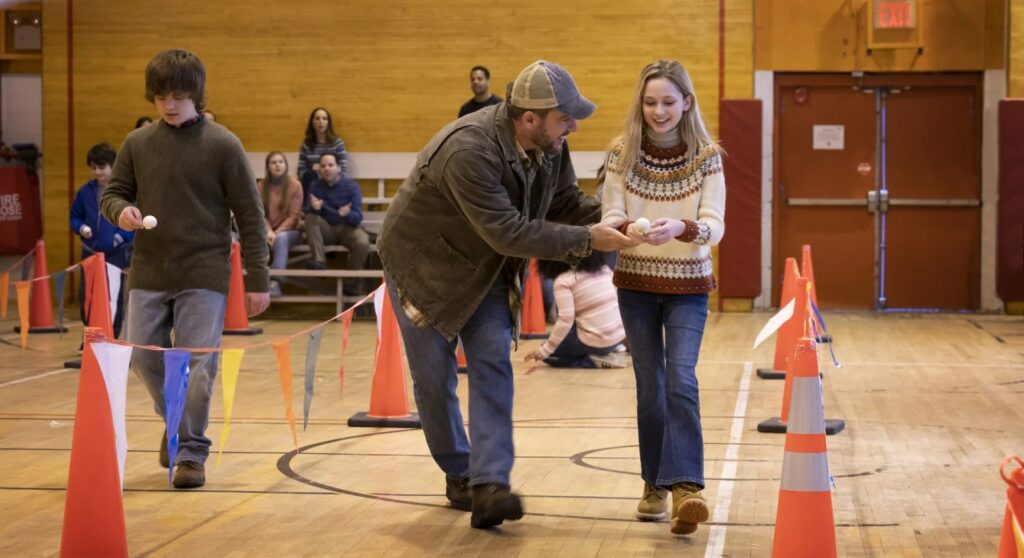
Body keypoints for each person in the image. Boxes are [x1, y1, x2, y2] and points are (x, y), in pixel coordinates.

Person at [377, 60, 637, 529]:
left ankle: (489, 485)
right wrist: (588, 240)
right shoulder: (468, 150)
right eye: (565, 118)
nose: (573, 126)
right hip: (422, 270)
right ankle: (460, 472)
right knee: (435, 382)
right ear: (530, 118)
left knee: (493, 360)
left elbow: (563, 202)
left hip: (487, 266)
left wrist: (618, 217)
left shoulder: (552, 144)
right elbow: (508, 231)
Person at [100, 48, 270, 489]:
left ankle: (191, 451)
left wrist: (258, 281)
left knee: (198, 363)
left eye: (177, 95)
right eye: (159, 97)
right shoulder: (137, 144)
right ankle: (175, 423)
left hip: (205, 272)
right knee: (142, 355)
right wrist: (120, 211)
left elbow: (251, 218)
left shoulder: (223, 144)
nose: (168, 104)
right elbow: (113, 193)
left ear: (196, 93)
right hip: (150, 270)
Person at [600, 60, 725, 536]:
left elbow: (714, 225)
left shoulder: (707, 156)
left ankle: (687, 488)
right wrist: (628, 228)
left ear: (686, 103)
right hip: (634, 285)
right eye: (650, 102)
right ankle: (654, 484)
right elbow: (611, 212)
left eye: (668, 102)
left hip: (688, 287)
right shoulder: (621, 153)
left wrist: (682, 228)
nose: (658, 111)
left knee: (680, 380)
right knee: (649, 388)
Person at [70, 143, 134, 338]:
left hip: (114, 255)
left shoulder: (125, 192)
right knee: (87, 296)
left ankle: (111, 334)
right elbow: (74, 216)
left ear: (113, 166)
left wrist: (120, 237)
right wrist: (81, 228)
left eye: (102, 167)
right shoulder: (84, 192)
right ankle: (90, 335)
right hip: (90, 253)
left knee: (113, 296)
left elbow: (132, 220)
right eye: (94, 167)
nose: (97, 172)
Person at [524, 250, 626, 369]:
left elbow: (565, 320)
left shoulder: (564, 281)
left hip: (597, 341)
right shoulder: (605, 269)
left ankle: (592, 360)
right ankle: (605, 351)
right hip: (617, 338)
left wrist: (544, 350)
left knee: (548, 354)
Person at [302, 152, 370, 275]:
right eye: (323, 166)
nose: (327, 169)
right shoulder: (314, 186)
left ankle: (352, 282)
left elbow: (357, 218)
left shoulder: (352, 187)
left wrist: (347, 214)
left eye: (330, 165)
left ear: (338, 167)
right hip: (326, 229)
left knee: (363, 242)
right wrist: (315, 209)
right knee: (310, 217)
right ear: (320, 169)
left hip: (347, 228)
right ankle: (319, 261)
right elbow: (307, 212)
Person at [257, 151, 303, 297]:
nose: (278, 165)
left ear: (286, 165)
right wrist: (269, 231)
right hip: (267, 231)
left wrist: (276, 233)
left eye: (281, 162)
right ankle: (255, 284)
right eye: (273, 162)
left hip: (291, 232)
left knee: (282, 238)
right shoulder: (260, 186)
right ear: (268, 167)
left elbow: (294, 216)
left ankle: (275, 282)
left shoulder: (295, 185)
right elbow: (260, 214)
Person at [297, 107, 348, 191]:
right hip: (312, 184)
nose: (321, 122)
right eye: (317, 118)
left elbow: (343, 172)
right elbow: (300, 171)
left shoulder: (337, 143)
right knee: (310, 176)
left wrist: (322, 169)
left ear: (328, 123)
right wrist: (312, 171)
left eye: (324, 119)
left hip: (332, 184)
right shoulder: (306, 145)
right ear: (312, 123)